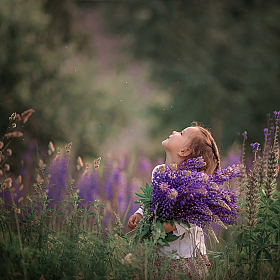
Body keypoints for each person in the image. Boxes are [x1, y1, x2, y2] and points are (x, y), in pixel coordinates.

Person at [128, 123, 221, 278]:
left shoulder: (195, 184)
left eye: (182, 133)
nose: (174, 131)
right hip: (160, 253)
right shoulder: (159, 171)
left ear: (184, 151)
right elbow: (153, 200)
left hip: (186, 257)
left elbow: (192, 219)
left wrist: (168, 226)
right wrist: (140, 214)